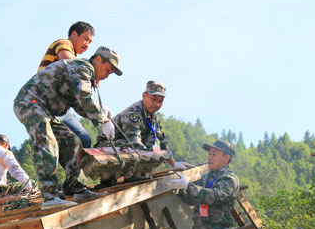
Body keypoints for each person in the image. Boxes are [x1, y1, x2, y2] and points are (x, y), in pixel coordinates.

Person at [14, 46, 122, 209]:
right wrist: (102, 120)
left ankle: (76, 187)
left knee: (72, 142)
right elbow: (84, 97)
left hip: (46, 110)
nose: (107, 76)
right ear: (98, 59)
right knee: (46, 141)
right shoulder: (83, 68)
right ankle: (50, 196)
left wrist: (101, 114)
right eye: (107, 70)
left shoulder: (85, 75)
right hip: (30, 103)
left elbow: (79, 106)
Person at [96, 80, 190, 170]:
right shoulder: (133, 114)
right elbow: (135, 144)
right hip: (107, 148)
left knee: (153, 146)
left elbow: (162, 142)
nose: (156, 104)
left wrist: (174, 164)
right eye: (153, 99)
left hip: (130, 150)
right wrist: (156, 154)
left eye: (160, 101)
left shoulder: (153, 117)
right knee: (146, 151)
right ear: (144, 95)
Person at [38, 21, 96, 149]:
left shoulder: (73, 55)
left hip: (60, 107)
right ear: (74, 34)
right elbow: (70, 64)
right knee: (52, 145)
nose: (87, 45)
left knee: (85, 139)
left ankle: (79, 168)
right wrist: (90, 75)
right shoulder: (64, 43)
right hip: (44, 102)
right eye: (85, 39)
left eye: (90, 43)